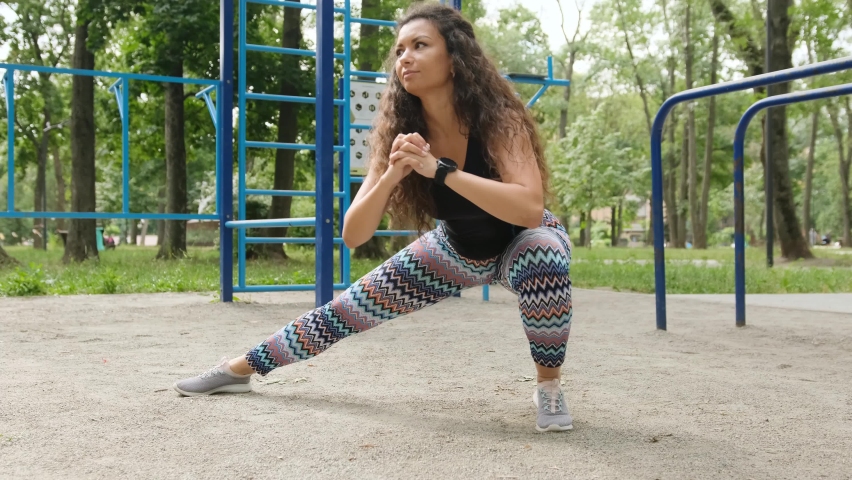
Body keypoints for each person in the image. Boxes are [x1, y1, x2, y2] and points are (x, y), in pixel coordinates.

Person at [173, 3, 575, 433]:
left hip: (523, 240)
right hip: (456, 249)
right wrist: (392, 174)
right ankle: (238, 369)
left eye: (420, 45)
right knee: (346, 310)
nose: (405, 57)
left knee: (543, 256)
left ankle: (548, 387)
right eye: (400, 49)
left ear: (455, 58)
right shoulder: (400, 130)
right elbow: (353, 234)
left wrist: (441, 170)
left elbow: (529, 208)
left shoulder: (498, 119)